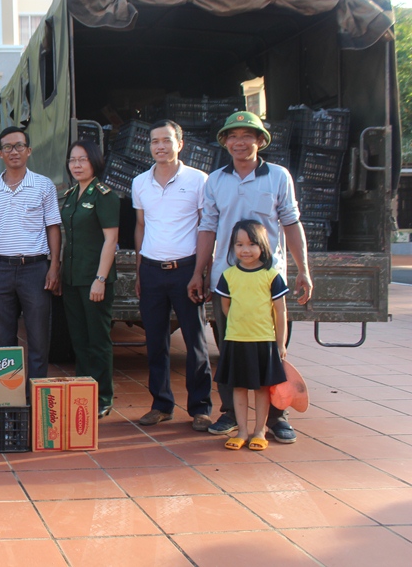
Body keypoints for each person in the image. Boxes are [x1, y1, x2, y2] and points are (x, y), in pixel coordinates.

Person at [188, 111, 313, 444]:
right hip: (227, 279)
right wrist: (199, 272)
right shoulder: (215, 179)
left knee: (273, 350)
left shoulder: (278, 176)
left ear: (260, 141)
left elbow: (291, 223)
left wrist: (304, 270)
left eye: (247, 135)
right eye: (232, 136)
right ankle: (231, 412)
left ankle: (276, 417)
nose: (239, 142)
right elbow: (208, 227)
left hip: (267, 282)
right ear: (225, 142)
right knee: (230, 348)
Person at [132, 121, 213, 430]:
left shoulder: (198, 180)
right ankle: (161, 404)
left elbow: (207, 226)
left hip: (187, 271)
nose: (160, 146)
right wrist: (140, 268)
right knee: (155, 342)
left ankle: (200, 408)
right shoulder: (140, 182)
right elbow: (141, 225)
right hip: (152, 271)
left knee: (195, 342)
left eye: (166, 140)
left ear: (180, 143)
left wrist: (202, 271)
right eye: (154, 142)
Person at [0, 127, 62, 382]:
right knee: (2, 340)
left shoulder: (44, 186)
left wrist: (54, 266)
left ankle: (36, 397)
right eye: (8, 147)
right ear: (0, 153)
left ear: (29, 150)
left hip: (35, 269)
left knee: (38, 338)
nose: (14, 151)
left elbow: (53, 227)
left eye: (20, 146)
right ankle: (8, 400)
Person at [213, 220, 289, 451]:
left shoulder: (271, 276)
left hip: (263, 340)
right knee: (238, 387)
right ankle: (242, 431)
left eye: (252, 244)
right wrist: (237, 328)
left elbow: (281, 311)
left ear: (263, 246)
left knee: (261, 388)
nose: (245, 250)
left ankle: (259, 431)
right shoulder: (228, 276)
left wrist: (280, 343)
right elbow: (225, 308)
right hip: (236, 340)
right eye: (239, 244)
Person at [60, 140, 119, 417]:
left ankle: (103, 397)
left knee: (97, 339)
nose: (77, 165)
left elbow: (111, 239)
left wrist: (100, 278)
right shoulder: (72, 194)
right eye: (73, 160)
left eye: (83, 159)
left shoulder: (104, 194)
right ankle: (84, 391)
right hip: (73, 278)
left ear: (94, 161)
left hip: (94, 279)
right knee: (79, 340)